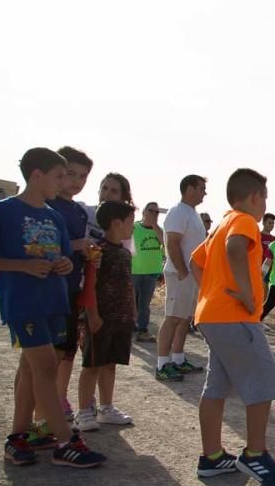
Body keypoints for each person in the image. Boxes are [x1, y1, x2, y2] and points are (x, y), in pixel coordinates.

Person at [0, 148, 105, 468]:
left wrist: (66, 262)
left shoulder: (53, 216)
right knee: (44, 368)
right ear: (37, 175)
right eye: (59, 176)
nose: (64, 182)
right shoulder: (2, 212)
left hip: (54, 302)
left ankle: (17, 439)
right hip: (23, 303)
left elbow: (62, 255)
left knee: (33, 369)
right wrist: (21, 267)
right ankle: (66, 442)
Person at [191, 168, 275, 485]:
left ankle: (212, 457)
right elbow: (236, 249)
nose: (264, 208)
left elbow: (196, 262)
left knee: (216, 386)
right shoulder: (244, 221)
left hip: (211, 315)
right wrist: (247, 295)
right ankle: (255, 455)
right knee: (264, 379)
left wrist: (210, 293)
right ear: (255, 197)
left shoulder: (220, 223)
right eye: (265, 200)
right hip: (234, 317)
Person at [76, 201, 137, 431]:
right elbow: (90, 285)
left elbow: (126, 285)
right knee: (92, 365)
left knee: (110, 364)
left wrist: (132, 312)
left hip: (120, 319)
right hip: (100, 318)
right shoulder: (97, 252)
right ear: (116, 223)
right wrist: (92, 314)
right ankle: (84, 411)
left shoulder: (124, 252)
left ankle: (106, 407)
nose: (133, 227)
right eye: (131, 222)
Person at [45, 146, 94, 423]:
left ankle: (53, 407)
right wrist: (75, 245)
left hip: (72, 289)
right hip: (46, 291)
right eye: (70, 174)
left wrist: (88, 254)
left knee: (65, 351)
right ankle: (40, 417)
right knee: (41, 360)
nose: (76, 182)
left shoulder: (78, 212)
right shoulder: (46, 206)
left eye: (83, 176)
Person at [155, 175, 207, 381]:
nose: (205, 192)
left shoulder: (192, 213)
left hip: (191, 274)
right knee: (173, 318)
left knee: (185, 319)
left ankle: (178, 359)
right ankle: (162, 365)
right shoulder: (177, 211)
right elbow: (173, 244)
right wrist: (183, 271)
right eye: (201, 188)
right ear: (189, 188)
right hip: (180, 273)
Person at [131, 202, 164, 342]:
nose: (154, 214)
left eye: (157, 212)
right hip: (134, 271)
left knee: (144, 304)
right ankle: (129, 327)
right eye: (151, 211)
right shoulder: (134, 227)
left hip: (151, 273)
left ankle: (142, 330)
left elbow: (165, 243)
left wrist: (155, 225)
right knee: (131, 302)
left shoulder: (159, 230)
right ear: (144, 211)